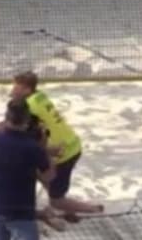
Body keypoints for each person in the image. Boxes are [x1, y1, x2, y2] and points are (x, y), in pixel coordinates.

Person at [11, 71, 104, 221]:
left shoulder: (30, 105)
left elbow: (16, 121)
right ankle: (65, 205)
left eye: (16, 87)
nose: (13, 90)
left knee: (56, 200)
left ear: (27, 89)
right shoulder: (40, 96)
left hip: (64, 153)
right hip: (72, 142)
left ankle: (91, 208)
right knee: (40, 173)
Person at [0, 98, 54, 240]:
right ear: (27, 120)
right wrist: (45, 148)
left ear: (6, 117)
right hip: (21, 212)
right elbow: (49, 176)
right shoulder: (32, 147)